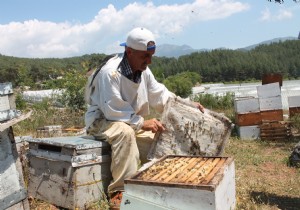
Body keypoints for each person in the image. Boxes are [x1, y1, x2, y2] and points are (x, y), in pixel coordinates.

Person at [84, 27, 204, 210]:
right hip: (101, 121)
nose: (149, 61)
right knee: (124, 133)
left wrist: (187, 105)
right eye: (145, 57)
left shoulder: (143, 71)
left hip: (128, 121)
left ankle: (155, 184)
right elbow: (113, 110)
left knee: (160, 140)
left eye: (151, 56)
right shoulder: (110, 73)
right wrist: (142, 123)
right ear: (129, 52)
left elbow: (161, 95)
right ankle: (120, 191)